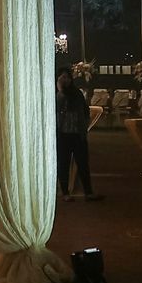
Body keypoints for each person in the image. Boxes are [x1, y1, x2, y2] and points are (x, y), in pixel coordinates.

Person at [54, 67, 98, 201]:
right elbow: (56, 111)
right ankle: (65, 192)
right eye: (62, 77)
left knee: (83, 163)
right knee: (64, 164)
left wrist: (83, 128)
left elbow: (85, 111)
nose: (65, 80)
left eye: (67, 77)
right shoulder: (58, 95)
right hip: (63, 135)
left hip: (77, 134)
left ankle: (88, 192)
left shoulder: (77, 93)